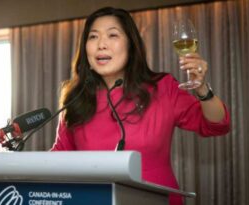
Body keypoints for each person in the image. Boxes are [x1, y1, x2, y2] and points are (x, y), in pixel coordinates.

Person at [50, 7, 230, 205]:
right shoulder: (75, 97)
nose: (101, 44)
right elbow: (59, 158)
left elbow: (217, 124)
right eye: (93, 37)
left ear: (131, 45)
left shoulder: (162, 88)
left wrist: (202, 88)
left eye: (112, 35)